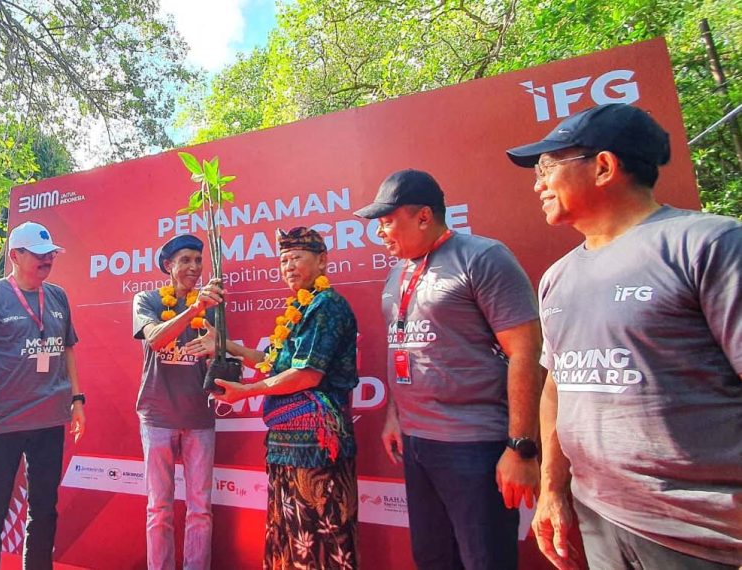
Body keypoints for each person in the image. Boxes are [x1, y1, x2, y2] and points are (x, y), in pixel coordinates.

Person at [506, 103, 742, 570]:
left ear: (604, 166)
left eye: (547, 167)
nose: (538, 185)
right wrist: (553, 491)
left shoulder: (706, 245)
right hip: (601, 520)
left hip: (704, 536)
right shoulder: (557, 277)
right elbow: (558, 386)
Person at [353, 169, 542, 569]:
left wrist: (521, 447)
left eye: (387, 222)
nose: (380, 233)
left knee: (484, 560)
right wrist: (395, 415)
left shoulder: (483, 257)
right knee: (433, 557)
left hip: (475, 444)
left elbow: (526, 352)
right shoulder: (399, 272)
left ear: (424, 216)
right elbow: (402, 347)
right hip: (416, 442)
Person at [195, 227, 359, 569]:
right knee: (288, 537)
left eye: (296, 258)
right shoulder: (301, 306)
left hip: (316, 449)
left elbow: (307, 374)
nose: (288, 266)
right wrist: (223, 345)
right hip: (285, 446)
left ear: (322, 261)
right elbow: (271, 362)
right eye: (284, 260)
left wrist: (247, 391)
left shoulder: (326, 305)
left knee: (318, 541)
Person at [0, 221, 86, 570]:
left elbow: (67, 349)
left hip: (50, 419)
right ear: (15, 256)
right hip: (1, 422)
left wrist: (77, 400)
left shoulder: (58, 295)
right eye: (39, 254)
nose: (47, 260)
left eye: (51, 254)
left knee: (45, 510)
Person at [132, 234, 224, 570]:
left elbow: (220, 357)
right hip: (157, 416)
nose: (194, 267)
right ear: (168, 265)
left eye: (198, 260)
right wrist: (195, 308)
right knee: (159, 509)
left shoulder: (212, 306)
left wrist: (220, 351)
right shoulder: (147, 300)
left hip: (200, 418)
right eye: (185, 260)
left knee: (200, 509)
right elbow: (155, 339)